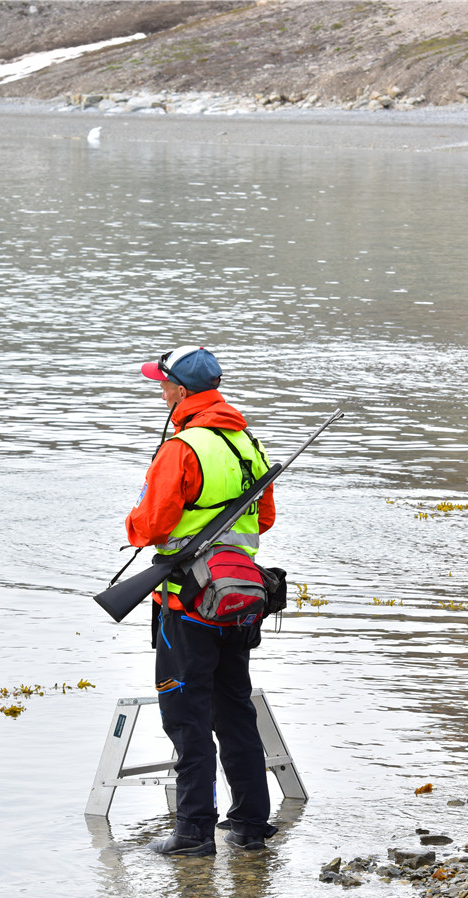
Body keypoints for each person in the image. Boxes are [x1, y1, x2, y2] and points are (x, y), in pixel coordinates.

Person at [125, 346, 281, 856]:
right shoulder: (246, 444)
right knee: (235, 709)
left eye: (164, 383)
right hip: (239, 600)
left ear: (184, 391)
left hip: (186, 605)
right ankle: (252, 825)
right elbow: (264, 521)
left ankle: (193, 832)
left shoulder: (182, 448)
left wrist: (134, 519)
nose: (161, 391)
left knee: (186, 717)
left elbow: (149, 528)